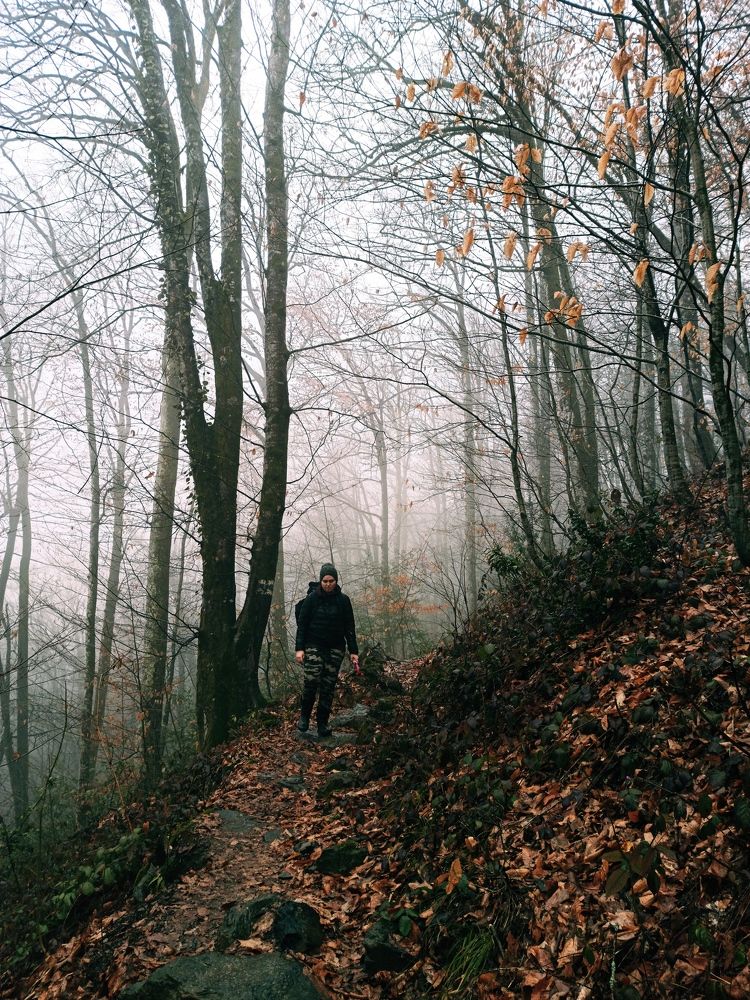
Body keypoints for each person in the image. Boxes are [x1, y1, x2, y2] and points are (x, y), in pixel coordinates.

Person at [295, 563, 360, 737]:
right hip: (314, 645)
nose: (328, 584)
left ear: (336, 581)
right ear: (320, 580)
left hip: (335, 648)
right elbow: (302, 625)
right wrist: (299, 649)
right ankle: (304, 718)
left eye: (331, 581)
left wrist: (354, 651)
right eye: (325, 581)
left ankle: (322, 723)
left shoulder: (343, 600)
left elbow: (349, 627)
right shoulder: (311, 599)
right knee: (311, 682)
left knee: (328, 687)